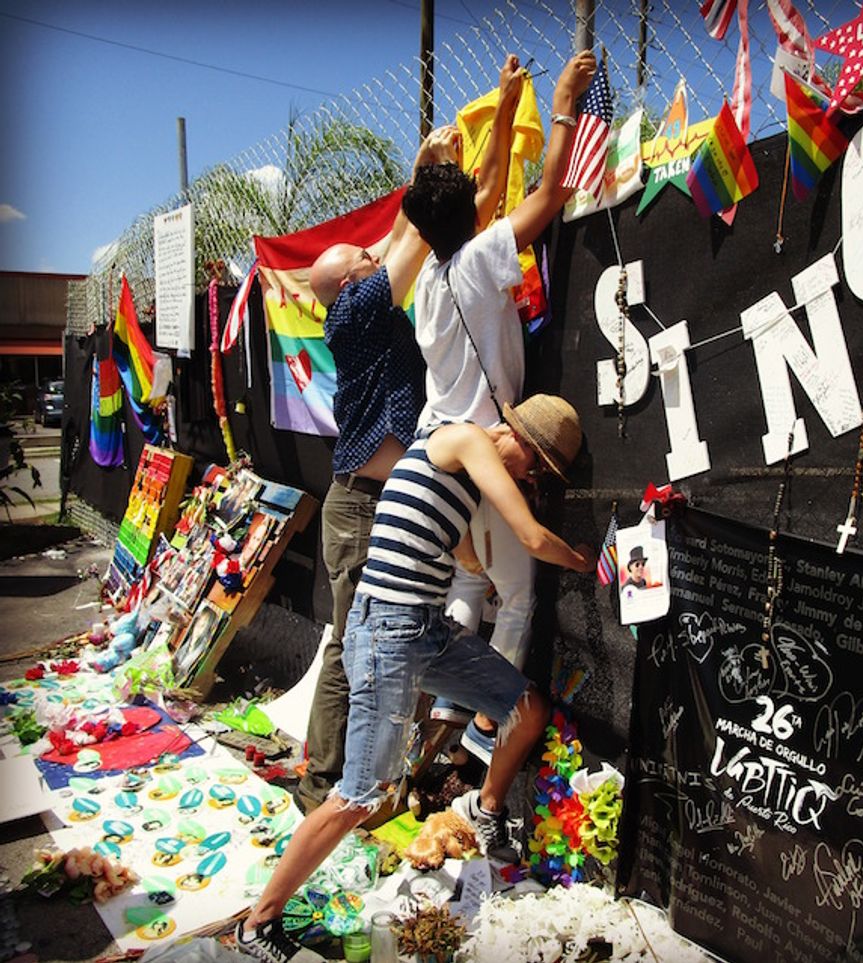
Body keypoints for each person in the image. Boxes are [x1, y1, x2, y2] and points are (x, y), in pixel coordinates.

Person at [236, 395, 596, 962]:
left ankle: (486, 808)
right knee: (358, 797)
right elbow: (528, 535)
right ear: (520, 440)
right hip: (388, 630)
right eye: (536, 468)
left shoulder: (456, 471)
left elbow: (455, 543)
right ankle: (259, 923)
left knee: (527, 711)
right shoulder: (468, 439)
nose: (530, 479)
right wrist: (583, 561)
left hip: (423, 627)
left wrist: (480, 573)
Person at [403, 49, 597, 764]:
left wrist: (509, 100)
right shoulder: (484, 258)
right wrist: (563, 102)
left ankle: (445, 703)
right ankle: (486, 723)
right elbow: (545, 196)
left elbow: (481, 193)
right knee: (515, 595)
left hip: (437, 453)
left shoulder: (427, 277)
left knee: (468, 578)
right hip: (491, 450)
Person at [294, 122, 462, 813]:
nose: (377, 254)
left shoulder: (366, 304)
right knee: (353, 647)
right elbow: (413, 239)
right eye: (366, 257)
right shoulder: (356, 313)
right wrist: (429, 172)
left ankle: (357, 781)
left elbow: (398, 238)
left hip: (376, 504)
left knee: (371, 646)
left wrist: (423, 167)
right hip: (362, 504)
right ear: (349, 282)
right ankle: (325, 786)